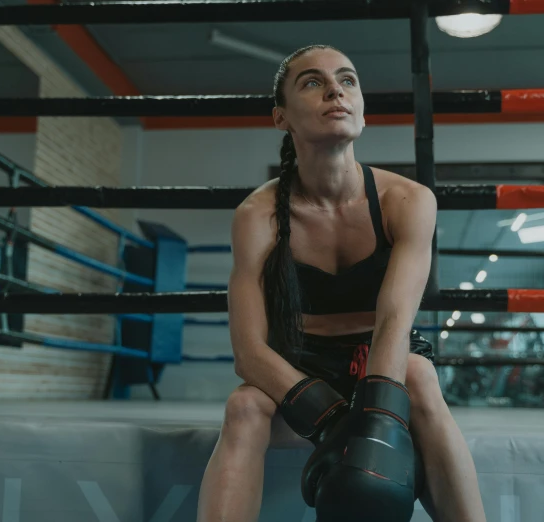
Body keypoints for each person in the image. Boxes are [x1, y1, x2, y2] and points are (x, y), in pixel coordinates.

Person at [197, 45, 486, 522]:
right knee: (244, 407)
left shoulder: (408, 200)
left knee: (420, 376)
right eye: (312, 82)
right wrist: (332, 419)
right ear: (281, 117)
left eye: (348, 80)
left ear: (362, 113)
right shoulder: (257, 215)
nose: (335, 89)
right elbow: (249, 352)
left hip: (381, 354)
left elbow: (394, 320)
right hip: (299, 361)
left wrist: (376, 419)